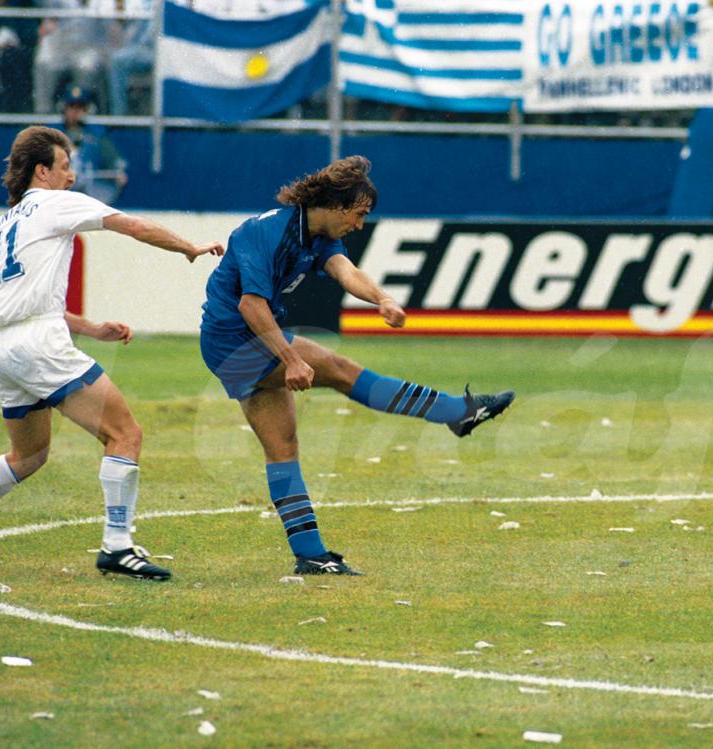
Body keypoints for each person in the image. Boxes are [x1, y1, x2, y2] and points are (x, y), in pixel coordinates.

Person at [0, 126, 224, 577]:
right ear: (42, 171)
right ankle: (118, 546)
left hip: (6, 347)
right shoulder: (55, 202)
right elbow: (133, 225)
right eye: (66, 167)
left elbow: (27, 303)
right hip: (39, 344)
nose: (72, 176)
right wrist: (189, 247)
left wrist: (91, 328)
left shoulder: (8, 221)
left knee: (29, 455)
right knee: (124, 434)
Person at [199, 155, 514, 577]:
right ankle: (456, 412)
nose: (361, 224)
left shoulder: (315, 235)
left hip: (244, 340)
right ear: (336, 205)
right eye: (360, 214)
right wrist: (291, 360)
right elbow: (250, 304)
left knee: (283, 448)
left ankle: (310, 554)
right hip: (235, 340)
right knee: (339, 369)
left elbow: (346, 271)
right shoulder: (266, 232)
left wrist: (382, 299)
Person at [60, 85, 126, 204]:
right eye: (71, 107)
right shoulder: (51, 134)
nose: (75, 112)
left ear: (86, 110)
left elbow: (115, 164)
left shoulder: (97, 135)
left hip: (89, 196)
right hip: (58, 197)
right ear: (64, 109)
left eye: (80, 107)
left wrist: (117, 173)